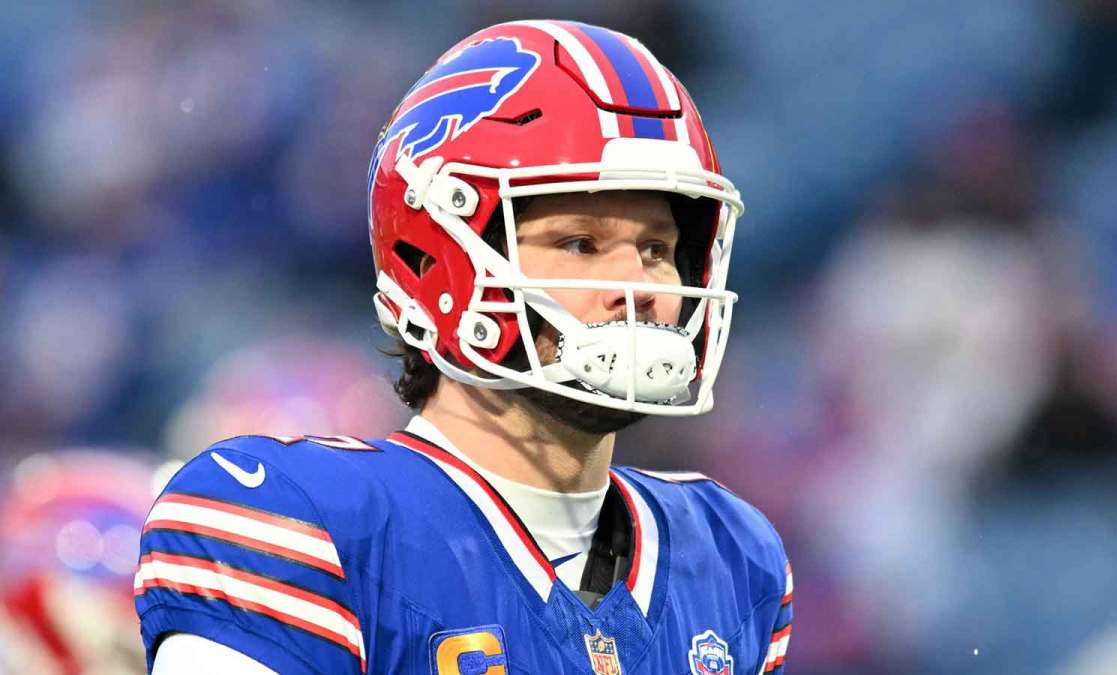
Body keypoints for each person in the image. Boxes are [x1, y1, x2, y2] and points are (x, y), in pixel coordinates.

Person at [137, 20, 792, 674]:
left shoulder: (731, 556)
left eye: (657, 249)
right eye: (579, 244)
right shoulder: (298, 520)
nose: (639, 287)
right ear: (439, 264)